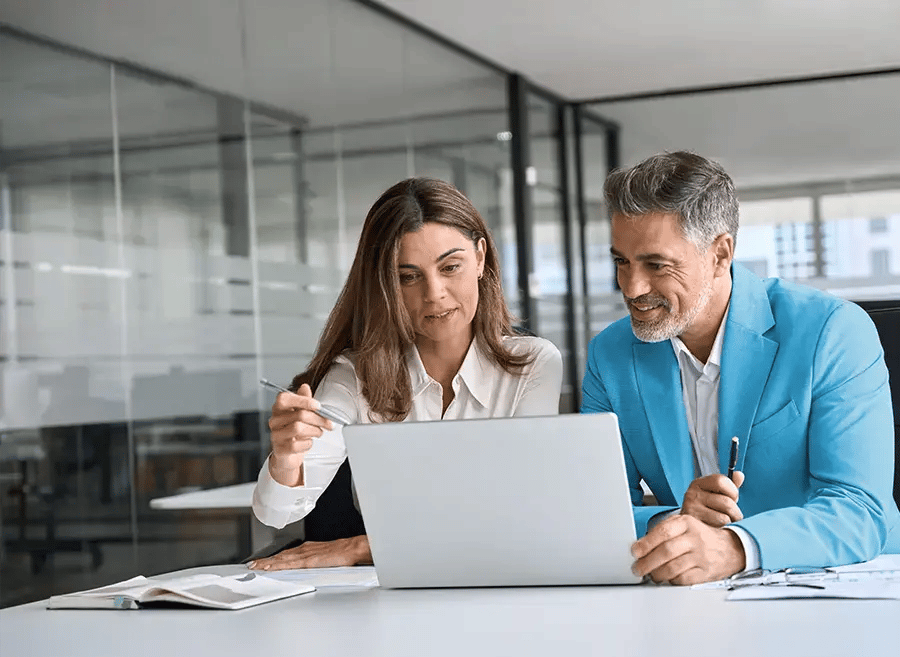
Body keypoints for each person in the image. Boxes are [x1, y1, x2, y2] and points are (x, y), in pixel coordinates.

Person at [583, 150, 899, 586]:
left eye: (656, 265)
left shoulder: (832, 330)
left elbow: (861, 510)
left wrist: (735, 546)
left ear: (720, 254)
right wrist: (675, 520)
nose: (632, 288)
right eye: (622, 261)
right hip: (691, 601)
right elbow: (592, 510)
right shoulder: (610, 354)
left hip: (841, 587)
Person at [248, 177, 563, 570]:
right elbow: (276, 514)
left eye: (450, 267)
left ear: (480, 258)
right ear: (385, 283)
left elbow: (517, 517)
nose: (434, 293)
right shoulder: (355, 375)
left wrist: (364, 547)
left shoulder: (533, 365)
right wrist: (285, 458)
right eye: (408, 276)